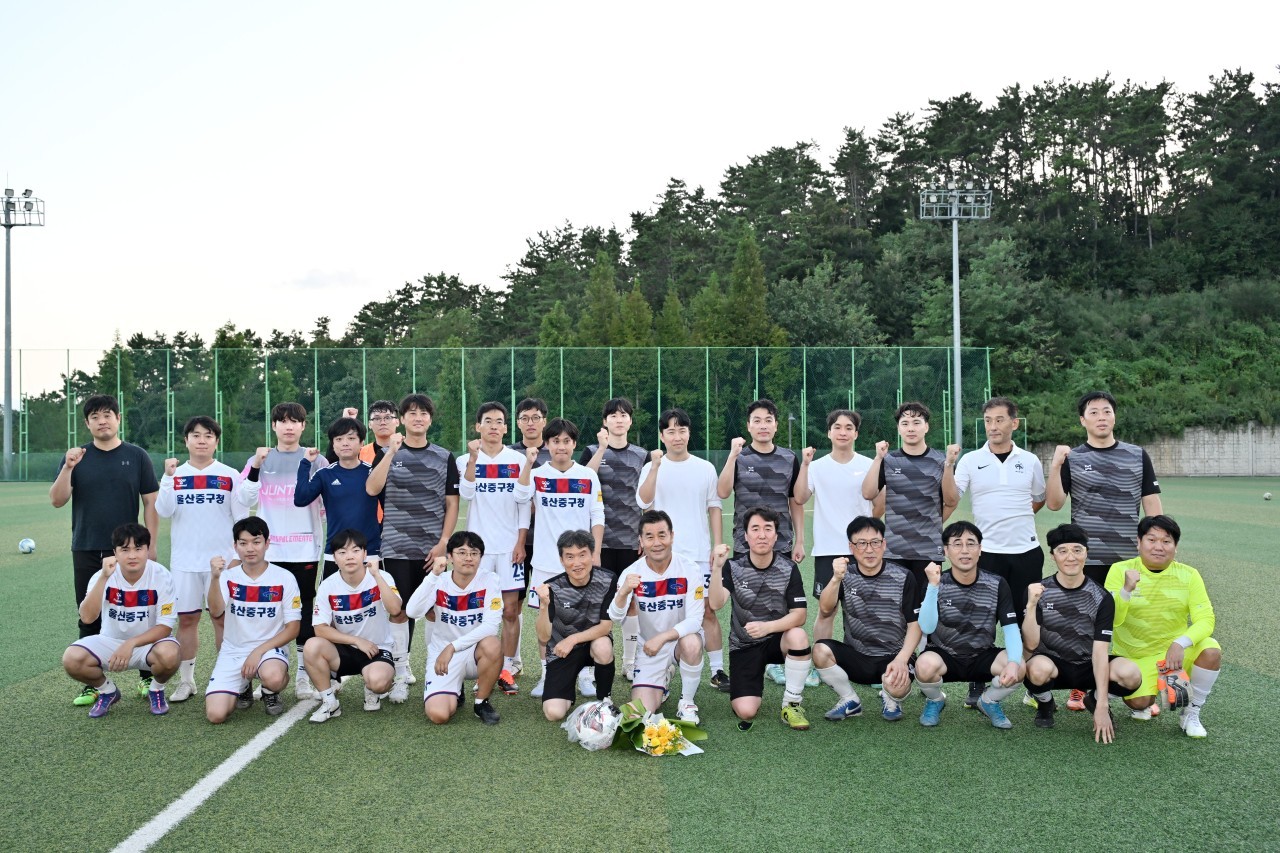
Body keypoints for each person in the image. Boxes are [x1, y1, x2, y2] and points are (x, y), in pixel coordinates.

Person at [50, 394, 160, 706]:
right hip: (86, 546)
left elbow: (150, 501)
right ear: (87, 423)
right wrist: (68, 468)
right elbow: (57, 500)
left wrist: (149, 545)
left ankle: (147, 676)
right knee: (88, 614)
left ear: (118, 418)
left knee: (140, 610)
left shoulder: (136, 456)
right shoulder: (77, 457)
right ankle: (95, 683)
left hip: (130, 551)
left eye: (107, 414)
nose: (102, 420)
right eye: (95, 416)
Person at [366, 393, 461, 703]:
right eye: (412, 413)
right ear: (402, 419)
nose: (418, 417)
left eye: (423, 413)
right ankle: (401, 670)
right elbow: (372, 488)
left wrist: (444, 544)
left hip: (431, 549)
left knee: (434, 609)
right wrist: (390, 453)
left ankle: (436, 669)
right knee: (399, 611)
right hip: (395, 545)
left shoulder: (443, 456)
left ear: (430, 420)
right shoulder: (390, 452)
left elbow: (451, 503)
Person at [952, 396, 1045, 709]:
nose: (993, 426)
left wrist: (1014, 520)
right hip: (987, 553)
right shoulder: (969, 460)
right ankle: (977, 683)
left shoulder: (1030, 460)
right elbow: (952, 496)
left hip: (1026, 552)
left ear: (1014, 423)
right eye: (988, 420)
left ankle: (1035, 688)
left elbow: (1039, 498)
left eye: (1000, 420)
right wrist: (948, 464)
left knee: (1028, 620)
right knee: (982, 621)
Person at [156, 415, 252, 703]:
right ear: (186, 440)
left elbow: (241, 519)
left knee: (222, 620)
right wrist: (168, 478)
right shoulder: (176, 474)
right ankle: (187, 681)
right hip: (185, 562)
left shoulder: (229, 474)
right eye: (195, 435)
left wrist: (236, 557)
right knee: (187, 620)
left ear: (216, 441)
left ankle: (226, 678)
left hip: (221, 564)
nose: (201, 440)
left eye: (208, 435)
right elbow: (163, 510)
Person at [1104, 515, 1221, 738]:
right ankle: (1143, 699)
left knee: (1211, 649)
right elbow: (1113, 621)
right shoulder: (1120, 570)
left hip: (1174, 652)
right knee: (1139, 703)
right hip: (1136, 655)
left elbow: (1206, 619)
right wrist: (1126, 590)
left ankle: (1191, 712)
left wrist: (1180, 643)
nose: (1159, 547)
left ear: (1175, 547)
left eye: (1166, 541)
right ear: (1138, 542)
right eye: (1152, 540)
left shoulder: (1189, 575)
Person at [237, 402, 324, 699]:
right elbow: (244, 496)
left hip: (304, 551)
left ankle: (302, 676)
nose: (288, 426)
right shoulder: (260, 458)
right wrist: (257, 466)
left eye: (295, 421)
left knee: (302, 612)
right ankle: (269, 671)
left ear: (303, 426)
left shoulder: (315, 459)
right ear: (273, 426)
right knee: (272, 614)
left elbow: (325, 500)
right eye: (282, 421)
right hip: (270, 553)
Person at [1024, 524, 1141, 742]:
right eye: (1063, 551)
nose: (1071, 557)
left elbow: (1099, 651)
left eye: (1077, 550)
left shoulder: (1101, 597)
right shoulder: (1041, 591)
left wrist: (1103, 706)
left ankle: (1094, 699)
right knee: (1035, 668)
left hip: (1088, 663)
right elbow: (1031, 644)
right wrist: (1031, 606)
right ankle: (1046, 702)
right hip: (1053, 663)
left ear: (1086, 553)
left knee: (1131, 674)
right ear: (1053, 556)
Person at [717, 398, 804, 685]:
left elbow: (795, 502)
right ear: (748, 426)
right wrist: (731, 455)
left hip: (780, 543)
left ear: (776, 425)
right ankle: (743, 654)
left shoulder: (789, 457)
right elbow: (723, 490)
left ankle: (776, 660)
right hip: (746, 544)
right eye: (757, 420)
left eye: (768, 420)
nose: (763, 425)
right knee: (743, 601)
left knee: (778, 601)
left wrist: (800, 540)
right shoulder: (739, 457)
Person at [516, 417, 605, 698]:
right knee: (547, 622)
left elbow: (597, 516)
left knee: (585, 620)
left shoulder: (587, 476)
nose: (561, 446)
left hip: (581, 563)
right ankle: (547, 674)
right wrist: (528, 464)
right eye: (555, 441)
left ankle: (586, 675)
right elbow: (520, 497)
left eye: (567, 441)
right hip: (546, 563)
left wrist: (596, 553)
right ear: (547, 444)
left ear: (574, 444)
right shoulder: (538, 474)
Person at [636, 408, 725, 688]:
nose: (677, 436)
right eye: (671, 431)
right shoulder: (651, 468)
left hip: (698, 553)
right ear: (662, 436)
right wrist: (655, 466)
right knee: (659, 611)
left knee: (707, 610)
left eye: (682, 430)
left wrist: (716, 544)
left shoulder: (705, 468)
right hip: (662, 554)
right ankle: (657, 664)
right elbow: (644, 502)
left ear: (689, 433)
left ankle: (718, 669)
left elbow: (714, 507)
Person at [708, 507, 812, 730]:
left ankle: (791, 704)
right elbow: (716, 604)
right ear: (745, 536)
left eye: (768, 529)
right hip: (744, 645)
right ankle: (757, 673)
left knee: (798, 636)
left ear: (776, 536)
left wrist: (768, 627)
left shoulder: (788, 568)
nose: (762, 535)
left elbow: (800, 615)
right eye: (755, 529)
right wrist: (716, 569)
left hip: (777, 638)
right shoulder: (733, 567)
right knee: (746, 711)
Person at [61, 523, 180, 718]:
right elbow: (87, 617)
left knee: (170, 654)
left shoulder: (161, 576)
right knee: (72, 658)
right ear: (115, 552)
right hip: (111, 642)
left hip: (148, 644)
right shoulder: (102, 576)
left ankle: (156, 689)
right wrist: (103, 578)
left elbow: (165, 627)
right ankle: (108, 691)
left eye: (138, 549)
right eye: (125, 550)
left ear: (147, 550)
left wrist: (131, 644)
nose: (132, 555)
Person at [1045, 390, 1162, 587]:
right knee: (1092, 614)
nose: (1102, 417)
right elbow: (1054, 504)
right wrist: (1055, 466)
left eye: (1107, 412)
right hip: (1087, 556)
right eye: (1094, 413)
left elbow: (1151, 502)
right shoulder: (1073, 458)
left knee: (1128, 612)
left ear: (1114, 417)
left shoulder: (1137, 455)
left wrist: (1156, 542)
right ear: (1083, 420)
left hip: (1129, 555)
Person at [914, 521, 1024, 729]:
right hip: (944, 654)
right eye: (957, 544)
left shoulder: (997, 583)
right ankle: (935, 700)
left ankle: (989, 701)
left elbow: (1010, 628)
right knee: (924, 666)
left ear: (980, 549)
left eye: (971, 543)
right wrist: (933, 587)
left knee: (1019, 665)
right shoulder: (937, 582)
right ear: (946, 551)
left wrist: (1013, 662)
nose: (964, 550)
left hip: (982, 654)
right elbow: (926, 627)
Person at [812, 516, 921, 723]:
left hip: (892, 656)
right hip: (857, 656)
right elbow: (825, 609)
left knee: (897, 688)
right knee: (819, 650)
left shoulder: (903, 577)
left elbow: (914, 625)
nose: (869, 549)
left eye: (875, 542)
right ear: (851, 547)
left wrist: (901, 659)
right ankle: (850, 700)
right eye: (861, 543)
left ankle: (890, 699)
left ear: (884, 545)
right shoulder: (845, 574)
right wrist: (835, 578)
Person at [458, 401, 532, 696]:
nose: (493, 426)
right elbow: (466, 493)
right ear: (478, 426)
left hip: (508, 548)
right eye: (487, 421)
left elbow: (524, 501)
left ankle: (508, 665)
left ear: (505, 427)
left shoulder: (518, 459)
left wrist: (520, 541)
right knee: (475, 610)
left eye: (499, 421)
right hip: (477, 550)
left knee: (510, 610)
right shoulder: (465, 459)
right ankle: (476, 664)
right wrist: (474, 460)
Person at [608, 510, 705, 724]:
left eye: (662, 535)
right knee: (638, 714)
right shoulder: (631, 572)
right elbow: (615, 617)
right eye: (649, 537)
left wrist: (662, 638)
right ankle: (663, 678)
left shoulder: (689, 569)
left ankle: (687, 702)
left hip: (678, 641)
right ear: (641, 541)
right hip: (650, 650)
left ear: (672, 536)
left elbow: (696, 619)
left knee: (691, 643)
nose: (657, 542)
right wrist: (623, 591)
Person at [579, 397, 647, 698]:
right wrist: (603, 448)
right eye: (613, 415)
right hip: (600, 542)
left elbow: (647, 496)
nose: (619, 420)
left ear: (630, 421)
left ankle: (631, 662)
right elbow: (584, 479)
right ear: (605, 421)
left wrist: (644, 536)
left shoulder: (641, 455)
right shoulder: (593, 451)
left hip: (631, 541)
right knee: (599, 603)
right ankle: (595, 663)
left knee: (631, 601)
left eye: (623, 415)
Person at [205, 516, 302, 723]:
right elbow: (215, 611)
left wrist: (257, 652)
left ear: (267, 543)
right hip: (234, 650)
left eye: (256, 542)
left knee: (274, 678)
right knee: (216, 715)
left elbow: (293, 628)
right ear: (235, 546)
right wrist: (214, 578)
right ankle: (243, 685)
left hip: (269, 650)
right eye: (243, 543)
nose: (250, 548)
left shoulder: (284, 577)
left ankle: (269, 691)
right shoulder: (226, 576)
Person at [404, 531, 504, 726]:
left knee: (493, 644)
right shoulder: (439, 581)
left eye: (474, 553)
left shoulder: (490, 580)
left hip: (473, 651)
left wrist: (452, 647)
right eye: (462, 552)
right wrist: (433, 575)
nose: (468, 558)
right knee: (438, 715)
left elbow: (491, 626)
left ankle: (481, 702)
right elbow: (412, 611)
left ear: (480, 558)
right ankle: (455, 689)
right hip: (443, 654)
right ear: (449, 557)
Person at [862, 401, 960, 594]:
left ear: (926, 427)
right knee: (897, 609)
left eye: (916, 422)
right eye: (905, 423)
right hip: (894, 550)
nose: (911, 428)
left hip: (929, 550)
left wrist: (949, 464)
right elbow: (868, 493)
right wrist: (878, 458)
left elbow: (951, 500)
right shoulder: (889, 460)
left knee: (927, 608)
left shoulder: (940, 461)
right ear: (898, 429)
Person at [306, 529, 401, 723]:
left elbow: (395, 609)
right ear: (334, 557)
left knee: (379, 683)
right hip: (344, 650)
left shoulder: (381, 577)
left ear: (365, 554)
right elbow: (320, 628)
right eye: (342, 552)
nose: (349, 556)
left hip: (377, 648)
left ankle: (371, 687)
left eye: (355, 550)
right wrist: (357, 641)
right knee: (312, 646)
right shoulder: (328, 585)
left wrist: (376, 576)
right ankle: (330, 703)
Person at [794, 408, 882, 601]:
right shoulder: (816, 466)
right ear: (829, 432)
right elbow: (799, 498)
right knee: (827, 610)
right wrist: (805, 465)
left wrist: (865, 530)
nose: (843, 432)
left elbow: (879, 504)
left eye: (849, 428)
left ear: (856, 434)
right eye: (837, 427)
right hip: (828, 549)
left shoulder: (869, 465)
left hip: (861, 548)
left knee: (862, 608)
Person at [535, 530, 618, 721]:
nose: (577, 563)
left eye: (582, 554)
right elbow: (544, 637)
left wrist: (573, 639)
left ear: (592, 554)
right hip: (562, 651)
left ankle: (604, 700)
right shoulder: (552, 587)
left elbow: (605, 627)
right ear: (562, 560)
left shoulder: (607, 580)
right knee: (553, 714)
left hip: (591, 643)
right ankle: (566, 688)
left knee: (603, 646)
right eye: (570, 557)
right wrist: (544, 606)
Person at [294, 416, 381, 579]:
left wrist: (380, 531)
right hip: (335, 551)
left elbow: (388, 505)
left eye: (351, 438)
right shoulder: (325, 474)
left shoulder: (373, 472)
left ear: (362, 443)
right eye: (339, 439)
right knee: (332, 602)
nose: (345, 443)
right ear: (333, 445)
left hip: (370, 551)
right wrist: (305, 463)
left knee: (374, 602)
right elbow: (301, 498)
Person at [506, 397, 552, 678]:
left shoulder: (557, 450)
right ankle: (515, 660)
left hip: (550, 543)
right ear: (518, 422)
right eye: (525, 417)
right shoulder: (510, 454)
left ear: (544, 421)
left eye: (536, 417)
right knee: (515, 602)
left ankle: (552, 664)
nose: (531, 422)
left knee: (548, 602)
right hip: (516, 541)